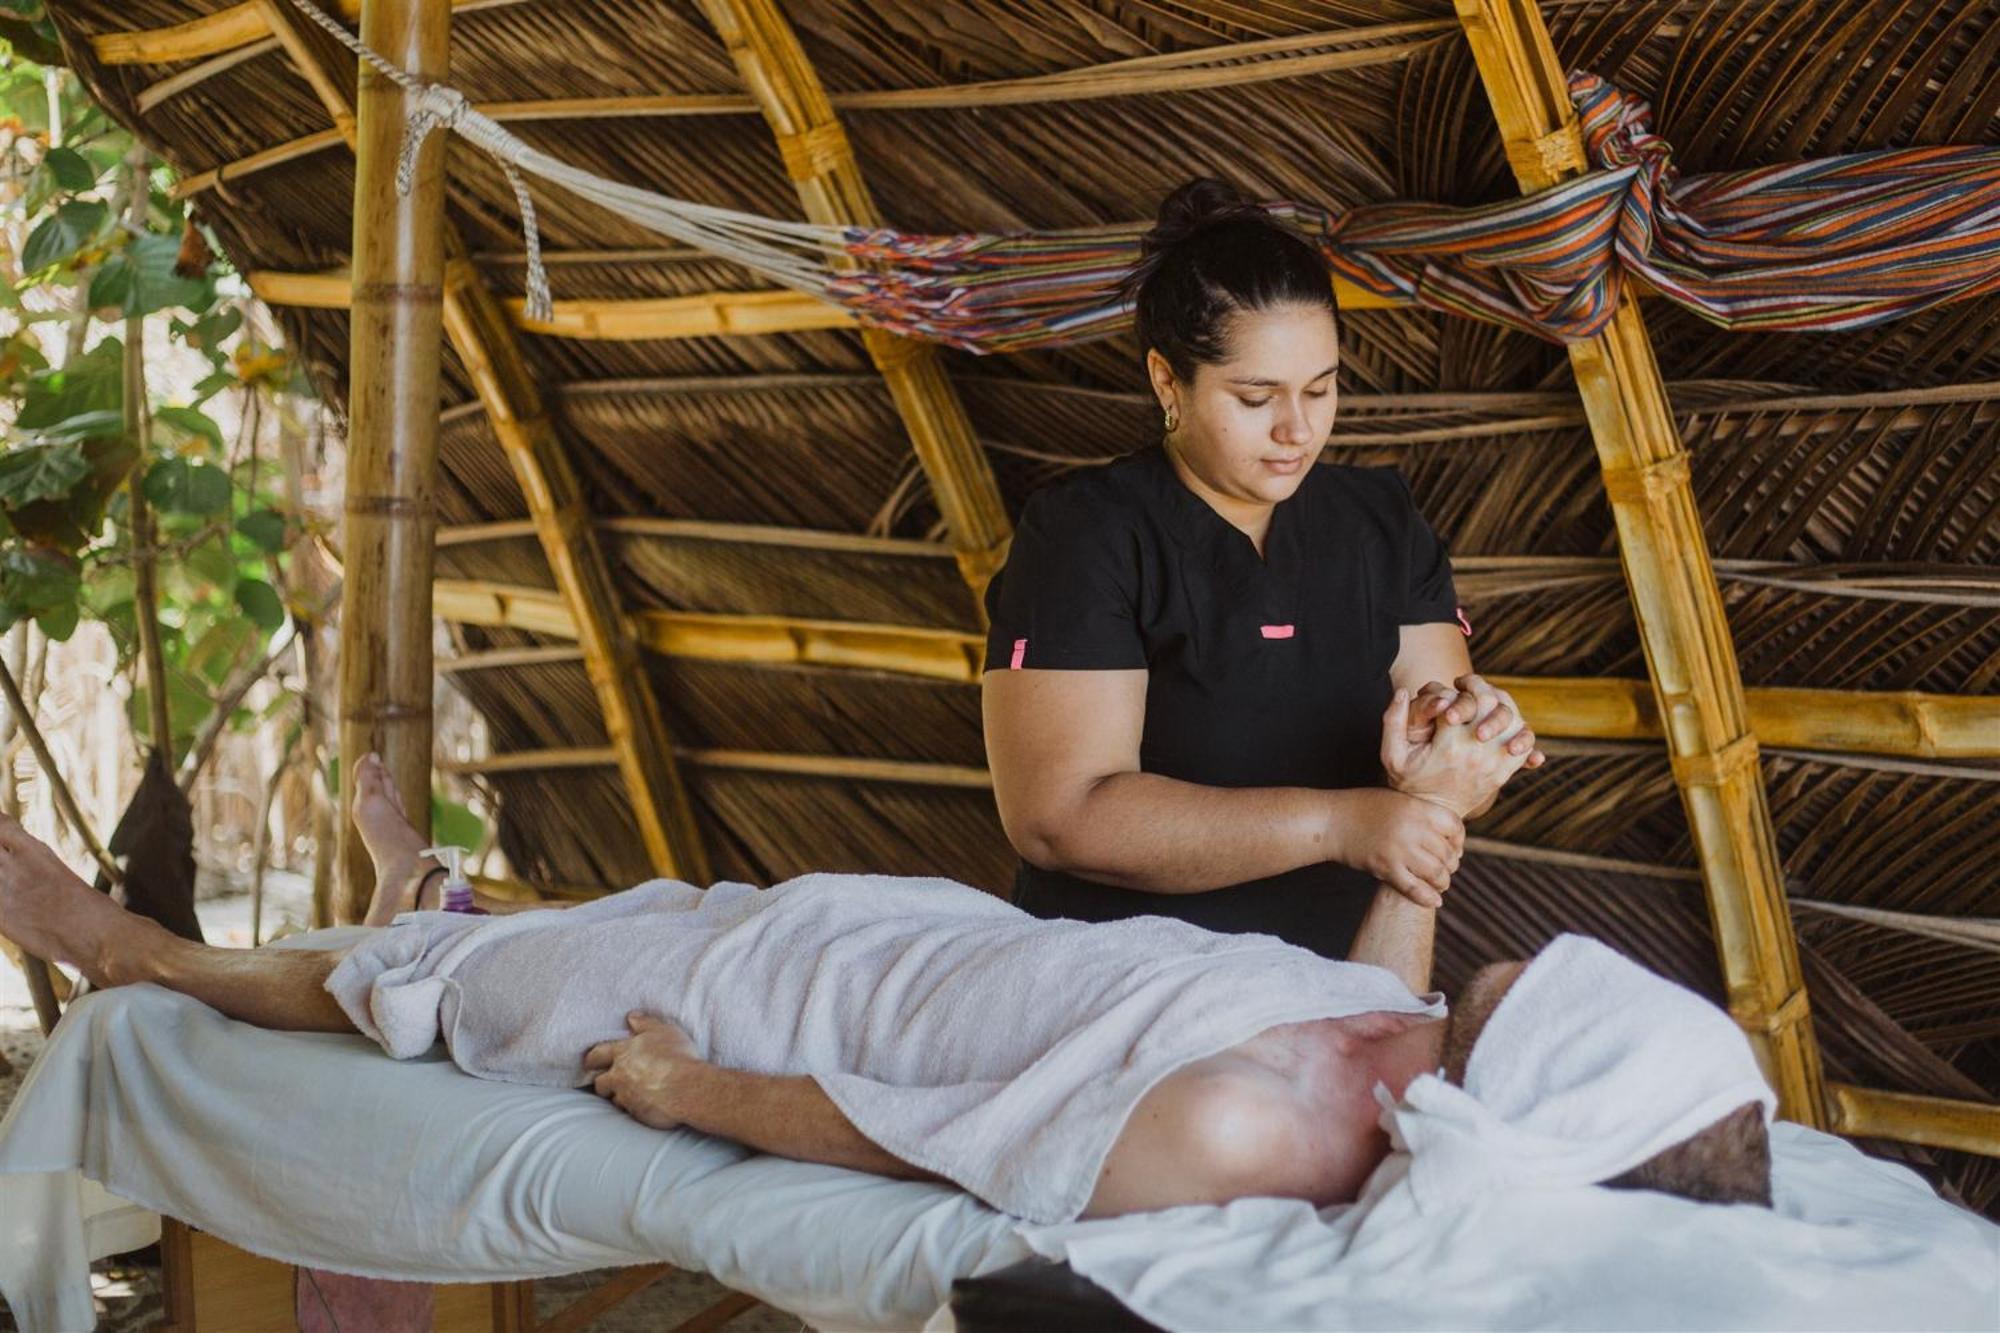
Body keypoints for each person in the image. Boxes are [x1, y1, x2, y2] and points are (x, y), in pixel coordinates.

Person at [0, 717, 1767, 1223]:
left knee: (474, 1001)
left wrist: (687, 1090)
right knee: (628, 905)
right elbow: (1404, 977)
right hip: (911, 935)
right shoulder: (1402, 1039)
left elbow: (919, 1138)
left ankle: (138, 940)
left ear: (1517, 1097)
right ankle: (426, 886)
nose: (1533, 960)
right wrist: (1424, 827)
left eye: (1541, 997)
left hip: (806, 1022)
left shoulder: (1246, 1134)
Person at [982, 177, 1544, 959]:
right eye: (1255, 397)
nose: (1297, 429)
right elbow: (1060, 815)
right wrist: (1339, 824)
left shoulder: (1380, 523)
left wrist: (1466, 740)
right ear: (1166, 380)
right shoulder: (1088, 534)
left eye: (1321, 389)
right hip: (1124, 984)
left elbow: (1431, 739)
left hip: (1330, 974)